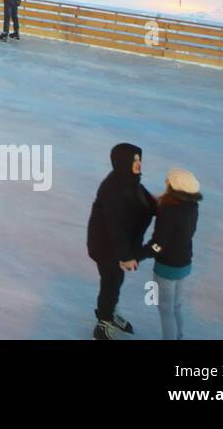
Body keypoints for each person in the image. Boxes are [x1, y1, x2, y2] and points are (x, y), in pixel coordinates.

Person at [87, 143, 157, 340]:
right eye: (134, 160)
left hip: (119, 246)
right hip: (107, 247)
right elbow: (115, 227)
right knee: (111, 281)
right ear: (123, 161)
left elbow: (146, 201)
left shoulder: (130, 181)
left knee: (116, 280)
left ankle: (109, 312)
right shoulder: (113, 188)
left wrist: (165, 204)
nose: (138, 164)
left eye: (139, 159)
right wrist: (125, 256)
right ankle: (103, 323)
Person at [141, 169, 202, 340]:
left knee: (165, 309)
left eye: (168, 182)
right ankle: (179, 336)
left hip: (167, 267)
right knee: (176, 306)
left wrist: (138, 254)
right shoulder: (192, 206)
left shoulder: (169, 210)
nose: (166, 183)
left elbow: (158, 244)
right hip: (184, 263)